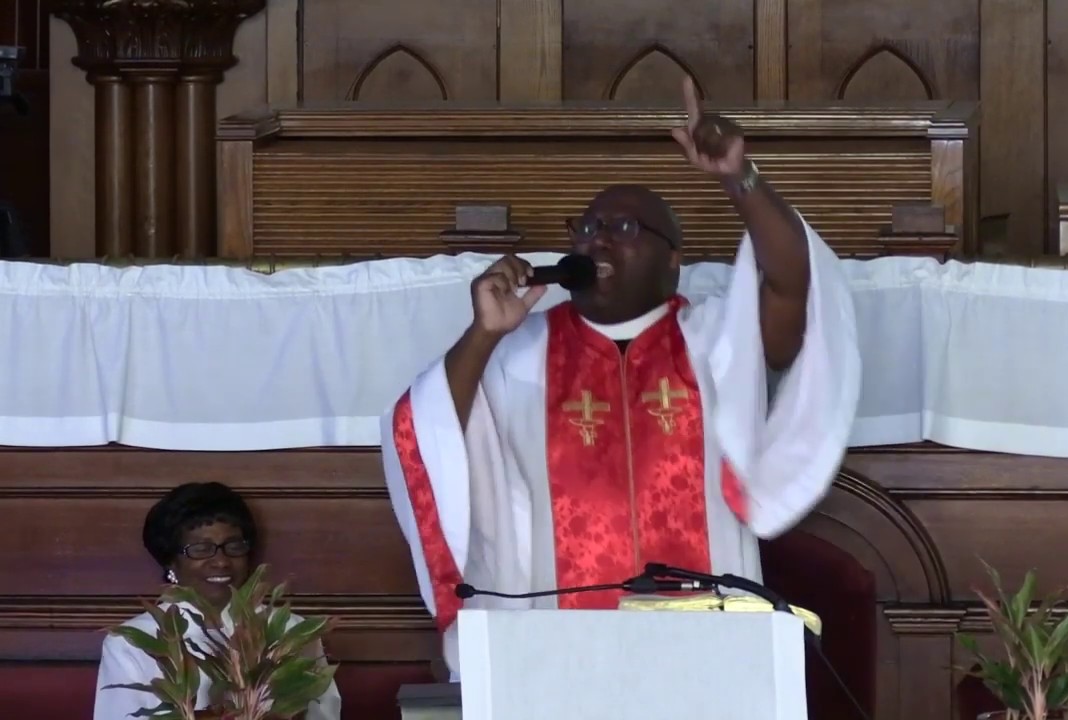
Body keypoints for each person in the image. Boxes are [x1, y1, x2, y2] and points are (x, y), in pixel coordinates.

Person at [381, 76, 860, 677]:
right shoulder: (522, 352)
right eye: (586, 227)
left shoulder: (716, 341)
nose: (597, 237)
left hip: (708, 654)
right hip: (561, 653)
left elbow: (796, 284)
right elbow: (423, 433)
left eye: (625, 228)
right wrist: (484, 333)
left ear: (674, 259)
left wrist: (741, 177)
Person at [93, 482, 341, 720]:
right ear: (170, 560)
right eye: (201, 549)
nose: (221, 561)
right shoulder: (130, 643)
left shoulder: (291, 632)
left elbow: (324, 715)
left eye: (233, 546)